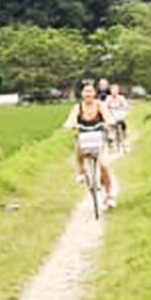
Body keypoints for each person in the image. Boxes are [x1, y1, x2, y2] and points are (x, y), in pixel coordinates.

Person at [61, 80, 118, 209]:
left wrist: (109, 122)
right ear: (82, 93)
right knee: (79, 147)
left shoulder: (100, 105)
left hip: (99, 138)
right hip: (84, 137)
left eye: (91, 91)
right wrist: (70, 125)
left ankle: (109, 195)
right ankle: (81, 170)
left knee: (104, 166)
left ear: (95, 93)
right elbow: (71, 119)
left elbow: (108, 116)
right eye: (86, 91)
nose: (88, 94)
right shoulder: (78, 107)